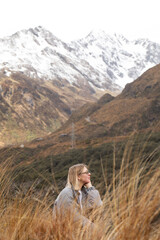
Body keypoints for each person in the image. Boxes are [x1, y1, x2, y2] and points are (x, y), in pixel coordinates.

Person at [53, 163, 102, 228]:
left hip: (82, 232)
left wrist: (90, 187)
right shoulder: (66, 193)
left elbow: (97, 206)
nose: (89, 174)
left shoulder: (84, 193)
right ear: (78, 176)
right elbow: (73, 217)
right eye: (86, 172)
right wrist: (94, 228)